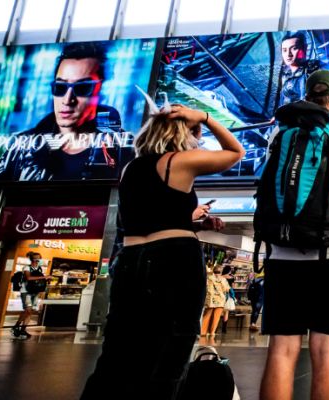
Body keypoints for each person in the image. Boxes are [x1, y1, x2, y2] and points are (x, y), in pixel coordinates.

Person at [80, 97, 244, 399]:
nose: (201, 138)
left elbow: (148, 222)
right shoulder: (177, 162)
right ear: (182, 133)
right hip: (175, 261)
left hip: (130, 262)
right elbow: (235, 152)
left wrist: (196, 224)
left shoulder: (131, 169)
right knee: (170, 352)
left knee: (117, 354)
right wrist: (205, 116)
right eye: (197, 132)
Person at [258, 70, 329, 400]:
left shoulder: (283, 130)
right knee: (326, 351)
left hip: (282, 255)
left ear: (307, 96)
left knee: (281, 350)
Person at [0, 42, 132, 181]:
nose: (67, 99)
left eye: (82, 88)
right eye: (60, 87)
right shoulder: (21, 147)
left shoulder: (124, 149)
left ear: (101, 91)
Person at [12, 252, 48, 339]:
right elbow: (29, 278)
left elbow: (38, 280)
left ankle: (23, 329)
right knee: (28, 310)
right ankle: (16, 326)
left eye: (39, 258)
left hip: (35, 292)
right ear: (32, 259)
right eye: (36, 258)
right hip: (26, 291)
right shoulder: (27, 267)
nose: (38, 260)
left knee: (30, 311)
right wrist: (44, 277)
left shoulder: (39, 268)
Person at [201, 265, 230, 338]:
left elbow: (205, 288)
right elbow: (226, 289)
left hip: (210, 300)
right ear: (221, 272)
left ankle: (203, 332)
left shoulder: (208, 278)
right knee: (216, 317)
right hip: (220, 300)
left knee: (207, 316)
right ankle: (212, 332)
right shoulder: (223, 280)